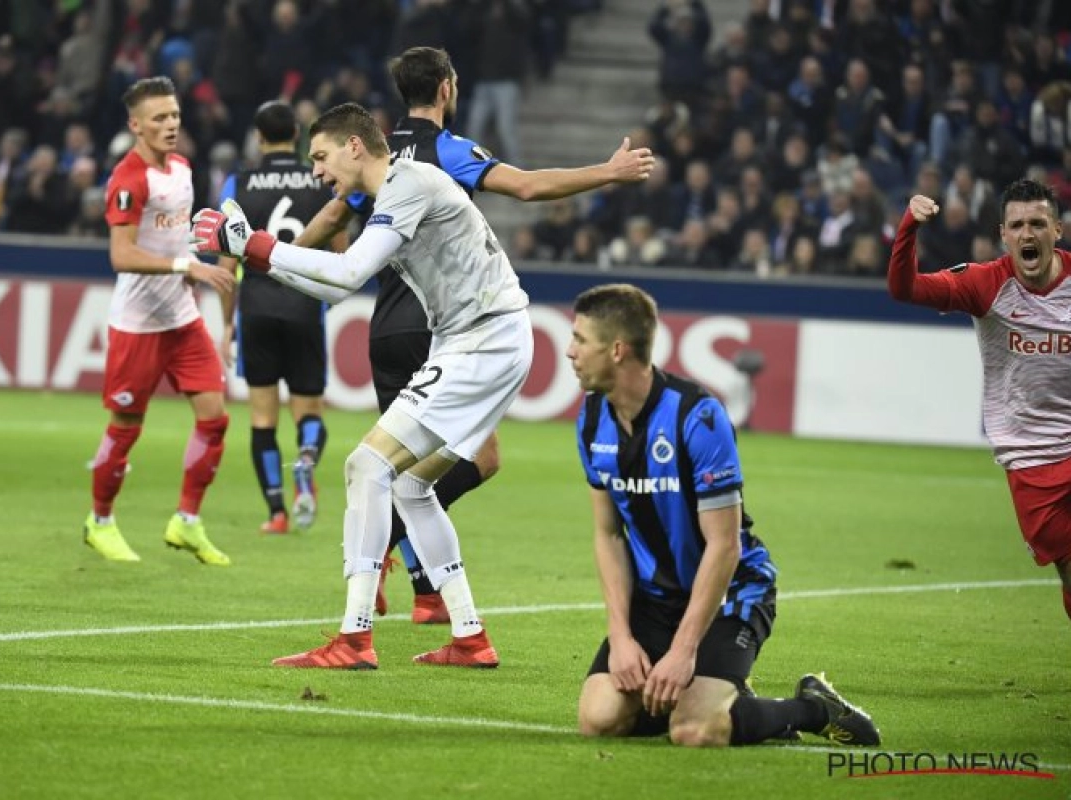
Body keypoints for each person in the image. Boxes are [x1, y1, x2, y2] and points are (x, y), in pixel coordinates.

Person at [292, 46, 655, 625]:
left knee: (398, 469)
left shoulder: (376, 155)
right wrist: (607, 173)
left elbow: (334, 218)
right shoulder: (444, 152)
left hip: (385, 327)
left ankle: (428, 595)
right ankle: (389, 560)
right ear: (446, 88)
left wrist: (276, 257)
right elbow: (529, 187)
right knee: (459, 462)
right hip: (442, 325)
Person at [190, 101, 532, 669]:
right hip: (475, 338)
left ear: (354, 146)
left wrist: (255, 244)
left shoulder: (409, 183)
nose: (317, 172)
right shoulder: (394, 192)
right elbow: (336, 290)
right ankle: (470, 636)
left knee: (366, 466)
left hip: (483, 338)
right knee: (410, 488)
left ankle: (354, 639)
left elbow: (348, 272)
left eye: (321, 157)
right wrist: (256, 256)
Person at [568, 283, 881, 746]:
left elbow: (724, 544)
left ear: (617, 350)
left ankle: (813, 709)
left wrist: (683, 650)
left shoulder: (697, 417)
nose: (570, 352)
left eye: (579, 340)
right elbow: (609, 536)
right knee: (599, 719)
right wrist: (621, 637)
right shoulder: (592, 420)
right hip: (655, 601)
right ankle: (724, 697)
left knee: (694, 731)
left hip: (731, 590)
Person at [888, 179, 1071, 622]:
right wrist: (909, 226)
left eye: (1037, 224)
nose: (1028, 234)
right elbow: (904, 288)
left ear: (1057, 230)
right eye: (1018, 226)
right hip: (1031, 458)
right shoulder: (984, 284)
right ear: (1003, 235)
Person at [83, 76, 236, 566]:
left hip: (181, 316)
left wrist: (196, 255)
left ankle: (187, 521)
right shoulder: (128, 179)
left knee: (214, 418)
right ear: (136, 126)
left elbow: (175, 237)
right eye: (159, 118)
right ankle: (99, 521)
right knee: (126, 426)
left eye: (174, 115)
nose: (171, 124)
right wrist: (184, 267)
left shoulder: (184, 169)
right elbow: (121, 254)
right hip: (137, 324)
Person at [216, 101, 347, 535]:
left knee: (262, 416)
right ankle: (305, 463)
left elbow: (225, 262)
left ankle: (275, 513)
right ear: (297, 134)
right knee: (309, 410)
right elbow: (341, 251)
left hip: (256, 306)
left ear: (258, 136)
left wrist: (227, 322)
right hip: (304, 304)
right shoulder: (321, 177)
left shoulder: (239, 182)